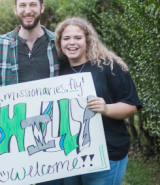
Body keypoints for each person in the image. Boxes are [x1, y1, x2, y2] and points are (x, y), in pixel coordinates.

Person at [55, 17, 142, 185]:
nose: (72, 43)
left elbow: (131, 105)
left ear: (88, 41)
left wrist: (106, 108)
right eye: (66, 38)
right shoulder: (59, 68)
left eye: (78, 38)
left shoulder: (109, 66)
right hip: (71, 154)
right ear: (60, 43)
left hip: (107, 154)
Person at [0, 0, 60, 88]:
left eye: (33, 5)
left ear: (42, 8)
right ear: (15, 9)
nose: (27, 11)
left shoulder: (60, 44)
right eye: (22, 5)